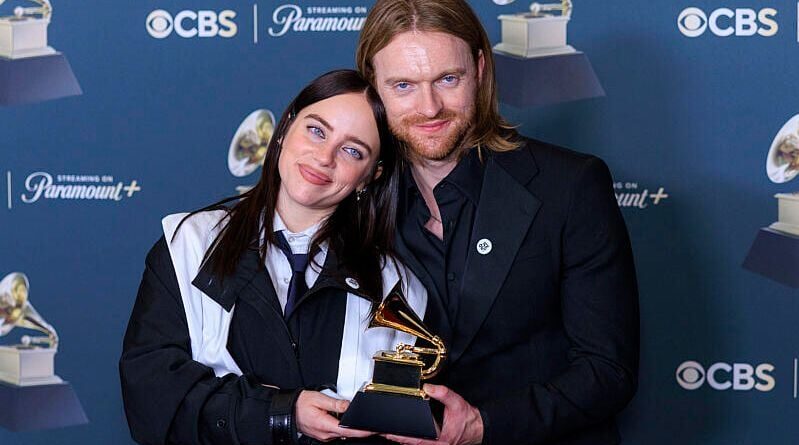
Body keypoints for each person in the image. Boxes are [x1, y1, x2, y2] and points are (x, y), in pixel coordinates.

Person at [355, 1, 640, 444]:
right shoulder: (355, 197)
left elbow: (608, 369)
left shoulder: (570, 186)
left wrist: (483, 425)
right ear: (374, 88)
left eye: (448, 79)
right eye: (403, 85)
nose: (429, 108)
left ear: (481, 69)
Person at [120, 69, 428, 445]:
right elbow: (152, 397)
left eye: (352, 150)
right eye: (317, 130)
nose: (324, 157)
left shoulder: (396, 287)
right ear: (284, 130)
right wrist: (282, 412)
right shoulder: (188, 244)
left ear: (371, 175)